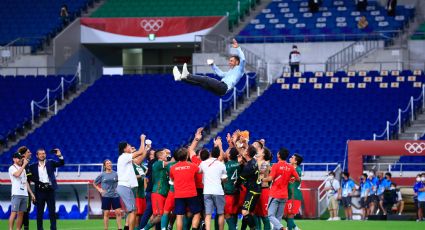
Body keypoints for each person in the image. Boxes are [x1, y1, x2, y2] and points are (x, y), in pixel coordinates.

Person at [173, 39, 246, 97]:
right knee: (201, 83)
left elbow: (243, 59)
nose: (229, 62)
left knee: (206, 79)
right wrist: (213, 65)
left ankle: (188, 75)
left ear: (237, 62)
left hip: (223, 87)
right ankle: (181, 78)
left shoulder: (240, 69)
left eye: (231, 61)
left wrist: (238, 48)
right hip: (221, 91)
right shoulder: (230, 72)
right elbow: (221, 74)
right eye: (229, 61)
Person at [262, 148, 299, 230]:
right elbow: (298, 178)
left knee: (270, 215)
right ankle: (280, 228)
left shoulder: (276, 165)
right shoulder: (290, 167)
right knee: (278, 217)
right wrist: (292, 179)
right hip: (284, 195)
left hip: (275, 194)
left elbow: (270, 178)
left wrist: (262, 179)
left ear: (278, 155)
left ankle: (282, 228)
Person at [116, 134, 148, 230]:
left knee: (132, 211)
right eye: (129, 146)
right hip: (125, 186)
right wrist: (142, 140)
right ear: (125, 149)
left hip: (126, 187)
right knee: (133, 211)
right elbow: (140, 152)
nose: (130, 146)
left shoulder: (125, 158)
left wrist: (144, 149)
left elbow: (138, 158)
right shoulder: (124, 156)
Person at [29, 148, 65, 230]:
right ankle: (40, 228)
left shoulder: (51, 162)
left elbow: (61, 163)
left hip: (50, 190)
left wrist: (59, 155)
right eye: (40, 154)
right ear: (37, 155)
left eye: (44, 153)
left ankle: (53, 228)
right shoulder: (32, 166)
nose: (42, 155)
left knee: (52, 212)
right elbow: (29, 177)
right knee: (39, 212)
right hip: (39, 191)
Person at [169, 148, 202, 230]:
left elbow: (172, 180)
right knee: (197, 213)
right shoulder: (192, 165)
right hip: (191, 193)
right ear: (187, 156)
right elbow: (200, 172)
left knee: (179, 215)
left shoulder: (173, 168)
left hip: (179, 194)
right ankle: (194, 228)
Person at [199, 141, 227, 230]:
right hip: (218, 191)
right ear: (219, 155)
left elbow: (199, 171)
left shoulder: (203, 163)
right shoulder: (221, 164)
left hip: (207, 191)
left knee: (208, 214)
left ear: (210, 153)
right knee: (221, 213)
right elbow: (224, 178)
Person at [142, 149, 169, 230]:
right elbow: (171, 163)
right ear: (160, 156)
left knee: (158, 214)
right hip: (158, 192)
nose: (167, 155)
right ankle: (144, 229)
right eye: (165, 154)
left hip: (162, 192)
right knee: (159, 215)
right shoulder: (158, 163)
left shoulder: (161, 165)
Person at [9, 152, 36, 230]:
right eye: (18, 158)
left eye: (21, 158)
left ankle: (18, 229)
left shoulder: (23, 170)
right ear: (14, 159)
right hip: (16, 193)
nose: (20, 159)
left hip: (24, 194)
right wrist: (24, 165)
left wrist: (31, 193)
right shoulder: (12, 167)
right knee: (13, 213)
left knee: (21, 214)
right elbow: (17, 175)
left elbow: (25, 182)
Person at [93, 159, 123, 230]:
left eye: (110, 163)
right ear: (105, 166)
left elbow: (121, 182)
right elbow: (94, 183)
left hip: (115, 195)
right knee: (106, 213)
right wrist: (99, 189)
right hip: (106, 196)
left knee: (118, 213)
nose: (109, 164)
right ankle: (106, 229)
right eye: (107, 163)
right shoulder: (102, 175)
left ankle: (120, 228)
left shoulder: (116, 173)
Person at [139, 149, 160, 230]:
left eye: (154, 154)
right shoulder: (154, 163)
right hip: (152, 191)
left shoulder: (151, 164)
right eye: (151, 154)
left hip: (153, 191)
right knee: (149, 212)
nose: (153, 155)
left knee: (157, 212)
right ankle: (142, 228)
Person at [253, 143, 271, 230]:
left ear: (263, 154)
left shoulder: (265, 163)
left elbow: (261, 173)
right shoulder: (256, 162)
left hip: (263, 190)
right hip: (256, 190)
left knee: (264, 214)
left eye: (260, 150)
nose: (258, 151)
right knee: (255, 213)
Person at [223, 147, 242, 230]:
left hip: (228, 192)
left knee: (227, 214)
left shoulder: (226, 165)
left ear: (230, 155)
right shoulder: (239, 164)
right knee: (234, 213)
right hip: (237, 192)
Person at [285, 153, 304, 230]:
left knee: (290, 215)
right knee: (284, 215)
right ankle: (295, 227)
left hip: (294, 195)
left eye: (292, 157)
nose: (290, 158)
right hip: (287, 194)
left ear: (295, 161)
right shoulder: (289, 167)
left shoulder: (298, 170)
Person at [17, 146, 33, 230]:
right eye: (28, 152)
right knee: (25, 211)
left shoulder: (26, 163)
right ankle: (24, 228)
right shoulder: (23, 164)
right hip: (24, 191)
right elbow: (26, 178)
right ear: (24, 154)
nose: (30, 153)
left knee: (25, 210)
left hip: (26, 190)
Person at [160, 156, 176, 230]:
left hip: (172, 191)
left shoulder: (170, 165)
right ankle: (170, 226)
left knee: (166, 212)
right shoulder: (189, 164)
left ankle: (164, 228)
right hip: (183, 192)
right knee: (181, 214)